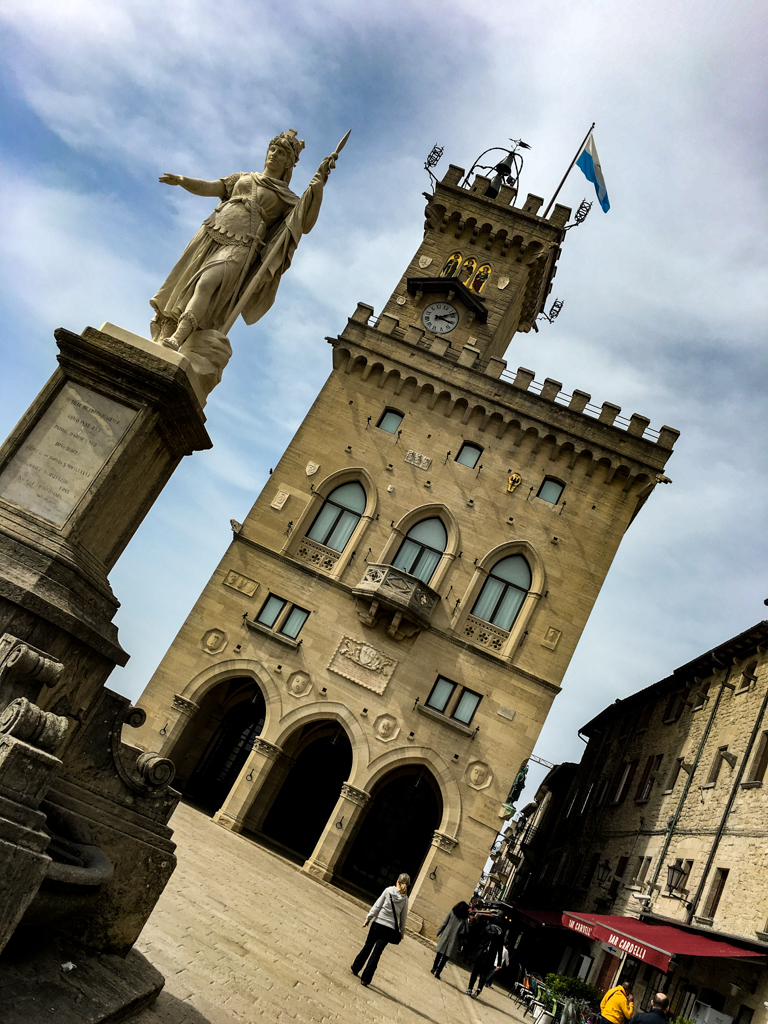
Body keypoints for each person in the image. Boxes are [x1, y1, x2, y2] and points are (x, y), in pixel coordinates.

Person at [150, 129, 338, 350]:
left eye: (281, 153)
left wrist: (318, 192)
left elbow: (304, 224)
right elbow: (210, 187)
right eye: (272, 149)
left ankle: (177, 339)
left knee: (207, 283)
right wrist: (183, 180)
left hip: (243, 245)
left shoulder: (289, 199)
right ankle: (167, 332)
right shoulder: (243, 178)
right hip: (212, 232)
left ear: (289, 162)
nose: (274, 155)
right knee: (185, 285)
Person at [351, 872, 410, 987]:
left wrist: (368, 919)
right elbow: (403, 918)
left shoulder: (388, 891)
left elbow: (377, 906)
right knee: (377, 953)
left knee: (368, 946)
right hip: (389, 929)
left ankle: (356, 967)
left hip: (378, 924)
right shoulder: (405, 899)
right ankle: (365, 979)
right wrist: (402, 932)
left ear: (397, 879)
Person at [431, 901, 470, 979]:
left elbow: (445, 923)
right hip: (455, 940)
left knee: (439, 953)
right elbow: (466, 930)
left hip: (446, 935)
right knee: (445, 957)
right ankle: (438, 972)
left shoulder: (452, 912)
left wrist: (438, 932)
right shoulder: (465, 918)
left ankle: (434, 968)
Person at [466, 919, 504, 998]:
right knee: (484, 973)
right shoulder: (501, 934)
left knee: (475, 972)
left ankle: (470, 988)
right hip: (491, 956)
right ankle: (479, 988)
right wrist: (499, 963)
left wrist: (472, 952)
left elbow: (478, 938)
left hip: (481, 953)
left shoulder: (488, 927)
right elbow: (500, 950)